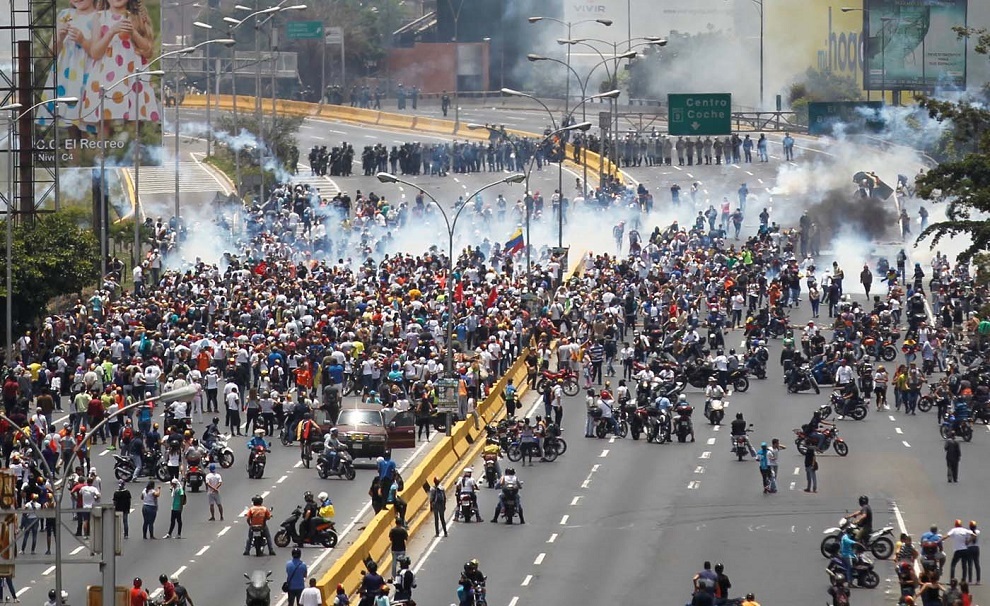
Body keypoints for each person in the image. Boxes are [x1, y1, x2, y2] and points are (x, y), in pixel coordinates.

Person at [966, 521, 980, 585]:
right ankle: (978, 580)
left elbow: (966, 541)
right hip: (976, 548)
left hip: (970, 548)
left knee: (970, 565)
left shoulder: (968, 532)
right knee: (977, 564)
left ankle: (970, 581)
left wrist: (967, 542)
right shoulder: (978, 532)